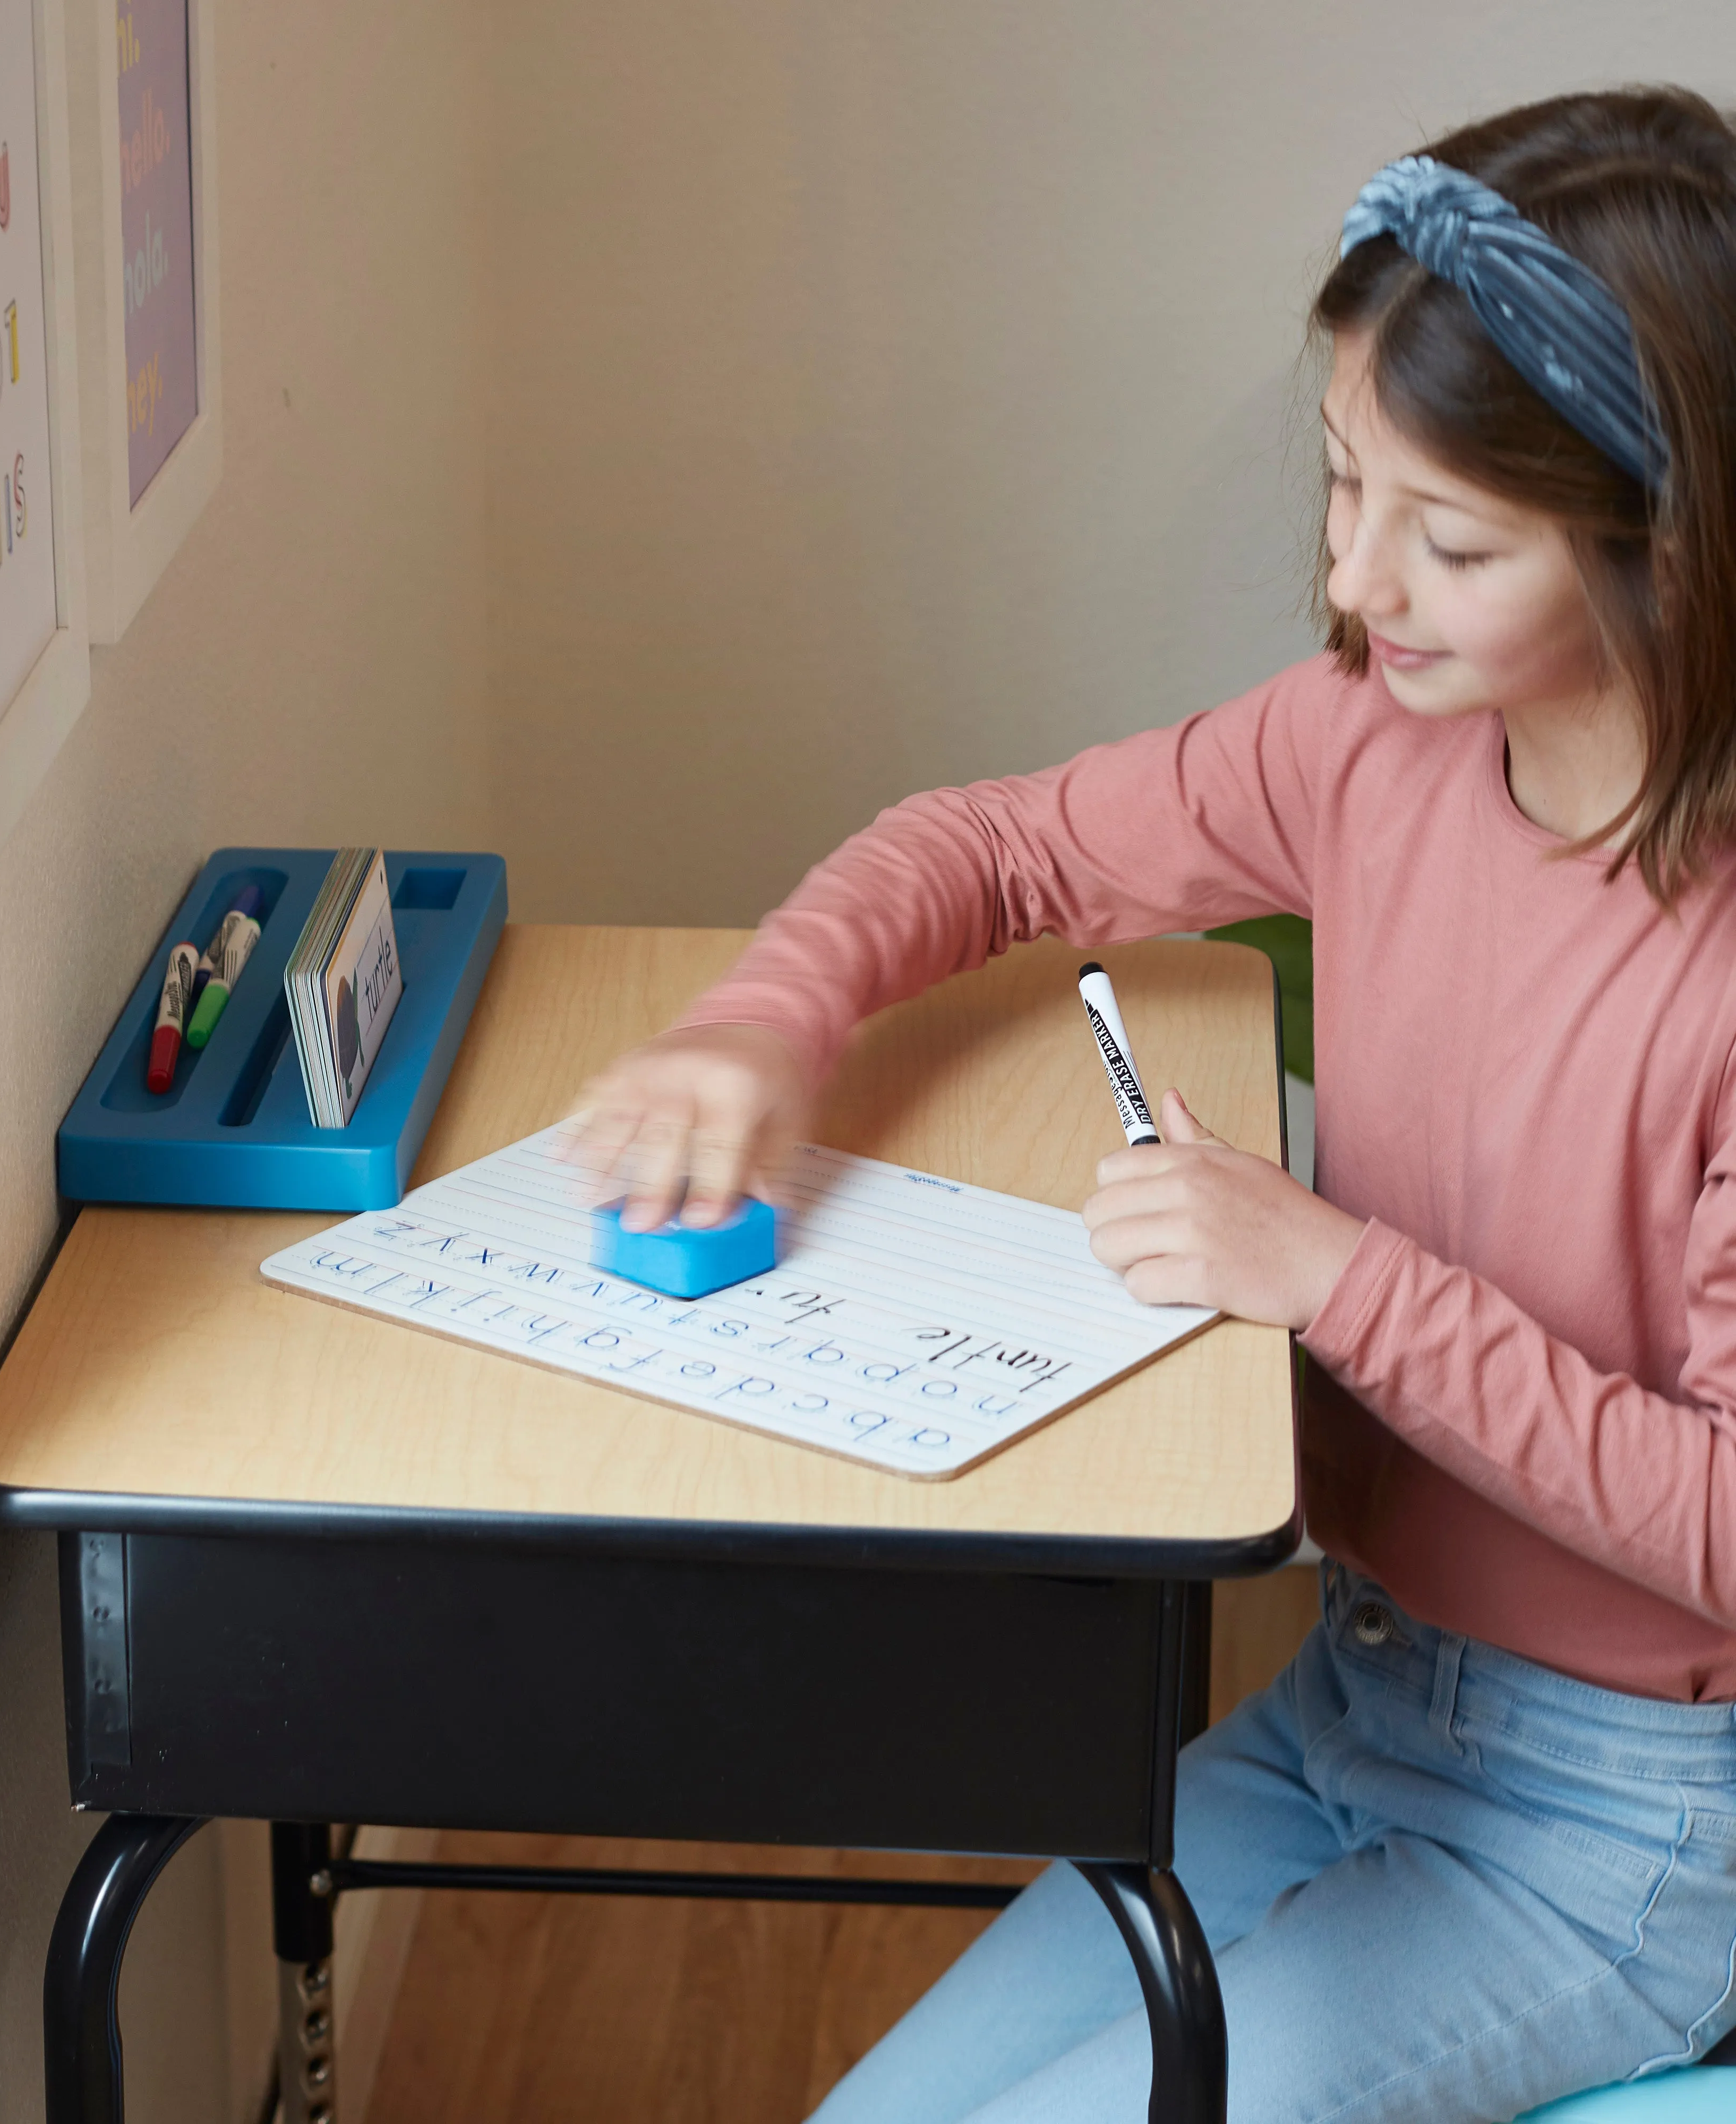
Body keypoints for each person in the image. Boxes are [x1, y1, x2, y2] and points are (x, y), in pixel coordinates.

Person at [565, 89, 1736, 2122]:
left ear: (1668, 544)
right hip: (1354, 1697)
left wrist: (1339, 1281)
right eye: (1343, 482)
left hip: (1622, 1834)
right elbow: (1001, 846)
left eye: (1450, 538)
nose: (1360, 578)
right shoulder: (1375, 745)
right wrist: (771, 1018)